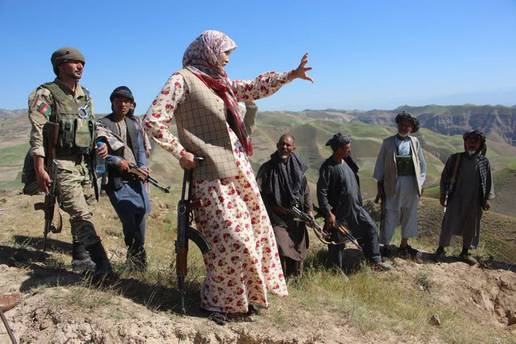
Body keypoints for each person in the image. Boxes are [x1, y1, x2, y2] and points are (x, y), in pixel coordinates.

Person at [143, 30, 313, 322]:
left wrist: (290, 75)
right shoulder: (182, 80)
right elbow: (153, 120)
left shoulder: (219, 83)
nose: (228, 58)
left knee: (254, 235)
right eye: (225, 52)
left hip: (239, 172)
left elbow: (253, 87)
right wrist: (180, 153)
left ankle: (242, 300)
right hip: (210, 175)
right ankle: (215, 303)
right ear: (208, 50)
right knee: (231, 240)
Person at [28, 47, 114, 281]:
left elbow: (93, 125)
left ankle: (80, 258)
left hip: (83, 164)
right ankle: (103, 265)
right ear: (59, 65)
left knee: (88, 209)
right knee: (80, 213)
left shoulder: (84, 95)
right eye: (74, 62)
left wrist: (102, 140)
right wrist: (40, 167)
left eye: (82, 63)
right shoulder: (46, 94)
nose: (80, 67)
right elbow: (38, 131)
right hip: (61, 162)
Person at [317, 133, 391, 271]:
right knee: (337, 242)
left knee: (370, 229)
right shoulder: (328, 167)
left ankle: (375, 261)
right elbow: (322, 192)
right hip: (339, 213)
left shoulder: (347, 162)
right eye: (347, 148)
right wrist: (328, 213)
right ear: (338, 149)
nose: (349, 150)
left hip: (356, 208)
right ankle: (335, 270)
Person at [99, 86, 151, 271]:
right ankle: (136, 257)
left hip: (136, 178)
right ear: (112, 102)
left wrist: (143, 167)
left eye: (126, 101)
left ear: (131, 105)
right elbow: (99, 153)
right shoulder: (102, 124)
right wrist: (116, 160)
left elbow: (140, 150)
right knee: (128, 215)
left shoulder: (134, 124)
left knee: (142, 213)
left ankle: (136, 259)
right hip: (116, 180)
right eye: (119, 100)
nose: (122, 104)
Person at [434, 130, 494, 265]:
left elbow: (488, 181)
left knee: (471, 226)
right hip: (456, 196)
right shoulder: (455, 158)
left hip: (475, 200)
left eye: (476, 141)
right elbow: (445, 177)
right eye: (469, 141)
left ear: (480, 144)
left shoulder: (484, 162)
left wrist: (487, 198)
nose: (472, 143)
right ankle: (441, 249)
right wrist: (443, 193)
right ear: (465, 143)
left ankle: (465, 252)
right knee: (449, 222)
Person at [373, 111, 427, 258]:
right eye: (402, 125)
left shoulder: (415, 142)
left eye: (407, 126)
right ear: (398, 125)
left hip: (411, 185)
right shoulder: (388, 142)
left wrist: (420, 184)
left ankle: (404, 245)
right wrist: (380, 187)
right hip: (392, 185)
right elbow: (380, 165)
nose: (404, 128)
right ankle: (384, 245)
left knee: (409, 214)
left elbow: (422, 165)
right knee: (390, 214)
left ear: (411, 128)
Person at [257, 134, 311, 278]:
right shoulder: (267, 168)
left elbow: (305, 191)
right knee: (281, 246)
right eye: (282, 144)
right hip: (277, 217)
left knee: (298, 247)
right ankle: (279, 278)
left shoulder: (299, 168)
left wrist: (309, 210)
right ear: (277, 145)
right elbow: (259, 194)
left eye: (288, 145)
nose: (284, 147)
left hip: (296, 216)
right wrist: (273, 207)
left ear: (293, 147)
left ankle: (294, 280)